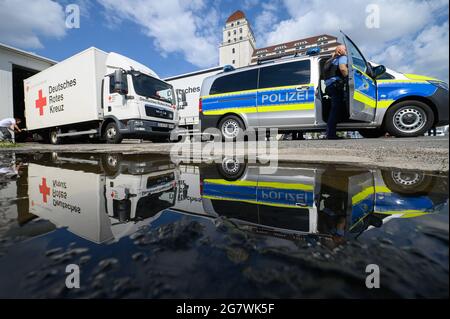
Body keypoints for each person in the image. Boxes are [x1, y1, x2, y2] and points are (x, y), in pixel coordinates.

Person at [323, 45, 349, 140]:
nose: (346, 51)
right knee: (335, 110)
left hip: (330, 86)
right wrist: (348, 79)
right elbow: (342, 68)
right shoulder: (342, 58)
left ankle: (330, 133)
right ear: (339, 50)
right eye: (345, 49)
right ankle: (330, 134)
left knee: (334, 109)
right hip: (336, 85)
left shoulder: (329, 61)